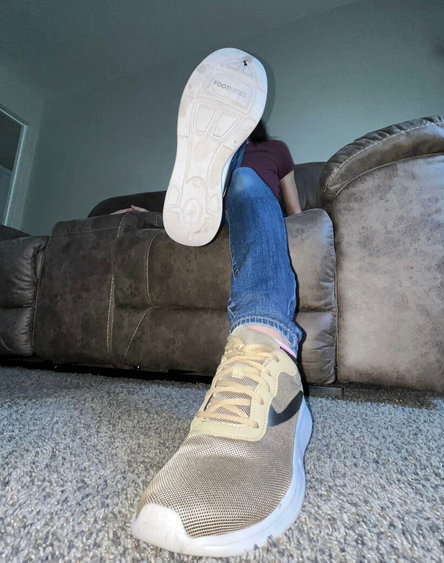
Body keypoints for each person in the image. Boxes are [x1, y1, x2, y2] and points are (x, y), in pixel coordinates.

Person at [131, 48, 313, 557]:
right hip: (212, 215)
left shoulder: (276, 152)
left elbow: (296, 210)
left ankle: (265, 347)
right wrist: (148, 213)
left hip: (255, 209)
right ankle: (214, 171)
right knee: (232, 181)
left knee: (247, 182)